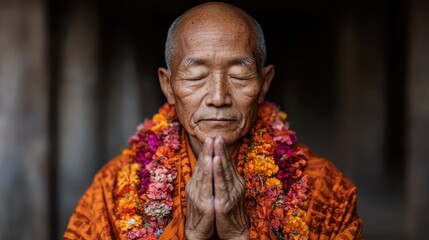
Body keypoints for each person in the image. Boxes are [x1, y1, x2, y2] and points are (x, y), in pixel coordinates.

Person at [63, 2, 363, 240]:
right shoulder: (113, 191)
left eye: (239, 75)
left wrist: (238, 233)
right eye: (196, 75)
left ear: (264, 83)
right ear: (168, 86)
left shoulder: (326, 191)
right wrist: (190, 233)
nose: (218, 96)